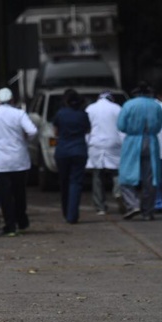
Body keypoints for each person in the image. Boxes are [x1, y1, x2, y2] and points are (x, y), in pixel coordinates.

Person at [0, 87, 38, 236]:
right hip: (19, 160)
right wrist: (25, 139)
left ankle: (10, 225)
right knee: (19, 193)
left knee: (5, 195)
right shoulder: (19, 114)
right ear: (12, 100)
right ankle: (21, 221)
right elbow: (32, 131)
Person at [117, 81, 162, 221]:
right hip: (151, 141)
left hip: (133, 140)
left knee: (126, 176)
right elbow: (160, 124)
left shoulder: (129, 105)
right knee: (150, 178)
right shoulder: (156, 105)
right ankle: (148, 211)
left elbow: (121, 125)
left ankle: (133, 204)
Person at [52, 89, 91, 224]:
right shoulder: (83, 115)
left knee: (64, 182)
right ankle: (72, 215)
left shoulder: (60, 114)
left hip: (63, 151)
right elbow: (88, 130)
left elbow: (56, 132)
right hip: (79, 150)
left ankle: (66, 211)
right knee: (76, 183)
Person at [85, 91, 124, 215]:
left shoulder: (90, 108)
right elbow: (122, 128)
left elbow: (87, 129)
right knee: (117, 171)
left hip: (96, 144)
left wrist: (88, 144)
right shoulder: (117, 108)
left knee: (97, 175)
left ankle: (100, 206)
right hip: (114, 143)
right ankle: (118, 192)